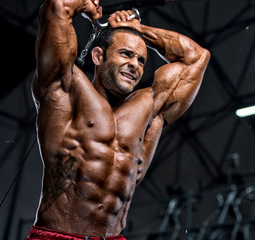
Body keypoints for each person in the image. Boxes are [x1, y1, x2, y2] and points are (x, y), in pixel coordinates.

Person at [26, 0, 210, 239]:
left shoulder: (149, 108)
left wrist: (136, 28)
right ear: (98, 55)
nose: (134, 64)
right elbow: (58, 6)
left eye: (141, 60)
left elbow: (196, 57)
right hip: (57, 235)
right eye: (126, 54)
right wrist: (87, 7)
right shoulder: (66, 90)